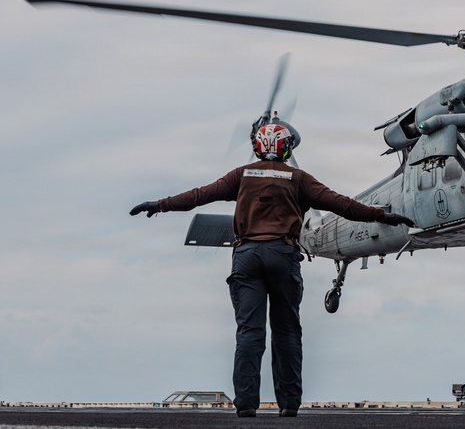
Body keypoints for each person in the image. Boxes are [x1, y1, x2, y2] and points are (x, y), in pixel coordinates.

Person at [130, 119, 413, 418]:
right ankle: (289, 404)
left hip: (247, 255)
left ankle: (246, 406)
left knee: (249, 333)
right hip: (283, 254)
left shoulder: (241, 176)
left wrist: (160, 204)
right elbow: (341, 204)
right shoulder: (299, 178)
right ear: (287, 148)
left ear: (257, 147)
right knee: (287, 332)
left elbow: (199, 195)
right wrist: (383, 215)